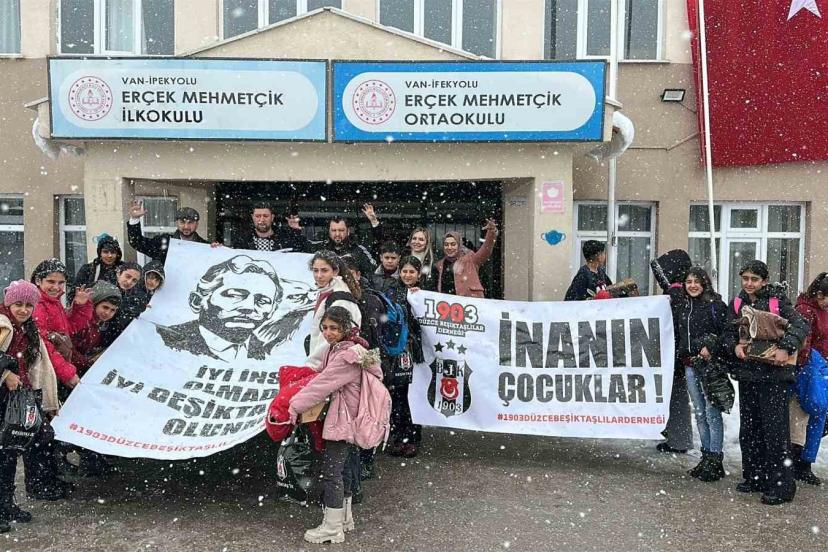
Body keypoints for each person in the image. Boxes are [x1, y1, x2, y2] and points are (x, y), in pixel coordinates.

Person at [289, 306, 382, 544]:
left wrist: (295, 405)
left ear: (345, 328)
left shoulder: (346, 355)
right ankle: (344, 519)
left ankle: (332, 528)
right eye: (325, 328)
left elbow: (323, 384)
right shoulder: (349, 348)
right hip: (353, 418)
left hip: (344, 420)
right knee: (346, 469)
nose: (328, 333)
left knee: (332, 473)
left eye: (334, 328)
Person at [723, 260, 809, 505]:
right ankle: (755, 477)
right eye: (745, 278)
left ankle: (782, 486)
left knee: (775, 432)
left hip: (774, 377)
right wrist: (734, 346)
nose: (749, 283)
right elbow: (727, 333)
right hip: (748, 375)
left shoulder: (777, 301)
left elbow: (801, 325)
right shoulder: (737, 303)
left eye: (754, 279)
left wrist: (785, 348)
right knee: (750, 430)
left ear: (764, 281)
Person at [0, 280, 76, 512]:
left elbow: (40, 367)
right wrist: (5, 373)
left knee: (20, 447)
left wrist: (46, 401)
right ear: (8, 303)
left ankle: (9, 504)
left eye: (28, 305)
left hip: (20, 398)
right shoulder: (3, 325)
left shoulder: (28, 329)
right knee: (5, 455)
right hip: (5, 397)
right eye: (18, 304)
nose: (23, 310)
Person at [156, 255, 286, 361]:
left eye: (262, 301)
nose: (249, 307)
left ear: (273, 310)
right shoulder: (164, 339)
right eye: (234, 295)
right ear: (197, 301)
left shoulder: (271, 352)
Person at [675, 267, 728, 480]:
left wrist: (711, 346)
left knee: (711, 412)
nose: (693, 285)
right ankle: (706, 457)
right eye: (688, 282)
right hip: (690, 365)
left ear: (704, 283)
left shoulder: (716, 305)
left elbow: (726, 333)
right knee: (699, 412)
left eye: (696, 281)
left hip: (709, 366)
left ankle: (715, 459)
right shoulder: (683, 306)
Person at [791, 272, 828, 485]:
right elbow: (804, 343)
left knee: (817, 415)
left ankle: (805, 463)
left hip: (820, 369)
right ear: (820, 295)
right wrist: (805, 365)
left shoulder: (820, 310)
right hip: (809, 370)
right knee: (804, 417)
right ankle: (798, 463)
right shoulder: (805, 310)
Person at [388, 256, 426, 457]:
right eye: (405, 271)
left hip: (415, 351)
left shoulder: (426, 294)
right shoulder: (392, 291)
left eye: (412, 272)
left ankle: (412, 439)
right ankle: (398, 437)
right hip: (397, 350)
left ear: (418, 274)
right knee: (397, 395)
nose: (408, 275)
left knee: (413, 396)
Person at [30, 259, 92, 370]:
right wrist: (67, 372)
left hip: (56, 366)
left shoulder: (53, 302)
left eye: (61, 283)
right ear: (38, 281)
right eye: (51, 282)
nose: (56, 287)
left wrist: (80, 306)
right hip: (47, 368)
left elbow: (68, 328)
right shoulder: (37, 305)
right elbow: (44, 346)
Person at [305, 251, 362, 369]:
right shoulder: (329, 292)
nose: (319, 275)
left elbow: (331, 337)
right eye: (315, 270)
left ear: (335, 271)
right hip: (332, 363)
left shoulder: (340, 299)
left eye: (324, 270)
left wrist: (313, 366)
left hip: (333, 366)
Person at [127, 201, 208, 263]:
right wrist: (134, 219)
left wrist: (215, 250)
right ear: (177, 223)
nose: (186, 226)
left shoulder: (206, 247)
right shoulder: (164, 242)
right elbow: (137, 242)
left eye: (190, 222)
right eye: (182, 222)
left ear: (197, 224)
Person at [435, 219, 498, 298]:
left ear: (459, 245)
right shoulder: (439, 265)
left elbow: (486, 250)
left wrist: (491, 232)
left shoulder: (470, 259)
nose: (449, 247)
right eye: (446, 244)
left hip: (471, 303)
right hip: (447, 304)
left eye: (453, 244)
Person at [311, 217, 377, 277]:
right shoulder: (319, 248)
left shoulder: (359, 250)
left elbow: (373, 272)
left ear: (348, 231)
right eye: (334, 230)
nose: (337, 234)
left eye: (341, 230)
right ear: (329, 232)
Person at [100, 262, 147, 347]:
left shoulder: (131, 294)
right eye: (128, 276)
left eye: (134, 280)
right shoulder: (103, 288)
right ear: (118, 273)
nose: (129, 282)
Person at [231, 203, 308, 252]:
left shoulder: (286, 239)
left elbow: (305, 252)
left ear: (272, 217)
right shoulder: (241, 241)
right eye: (258, 216)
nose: (262, 220)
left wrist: (296, 231)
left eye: (265, 216)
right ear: (252, 217)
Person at [70, 234, 123, 302]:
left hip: (117, 307)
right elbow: (73, 294)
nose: (109, 255)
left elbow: (131, 295)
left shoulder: (124, 270)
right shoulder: (88, 269)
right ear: (100, 253)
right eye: (105, 252)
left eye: (113, 252)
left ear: (117, 254)